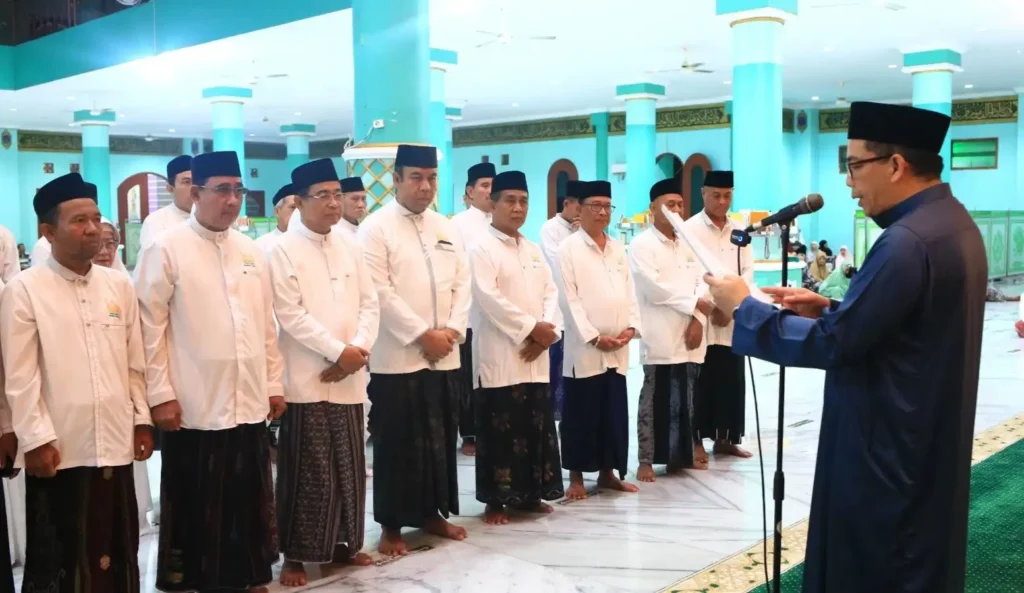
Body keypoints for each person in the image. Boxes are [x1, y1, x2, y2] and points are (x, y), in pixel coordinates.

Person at [705, 101, 986, 593]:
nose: (848, 182)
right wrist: (830, 307)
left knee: (874, 567)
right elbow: (900, 330)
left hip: (886, 452)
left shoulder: (906, 242)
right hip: (925, 441)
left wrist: (744, 308)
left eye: (855, 165)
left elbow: (836, 346)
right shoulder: (953, 223)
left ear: (895, 165)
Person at [135, 151, 286, 592]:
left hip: (249, 397)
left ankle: (252, 575)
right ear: (195, 193)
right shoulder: (165, 249)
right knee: (197, 499)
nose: (232, 200)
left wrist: (273, 385)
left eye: (238, 190)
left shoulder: (251, 251)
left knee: (248, 495)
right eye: (222, 190)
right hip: (194, 402)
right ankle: (197, 581)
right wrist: (160, 394)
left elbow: (265, 327)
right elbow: (149, 329)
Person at [0, 172, 153, 593]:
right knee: (63, 552)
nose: (93, 230)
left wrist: (141, 420)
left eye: (96, 218)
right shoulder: (24, 290)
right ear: (48, 232)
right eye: (79, 221)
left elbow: (134, 363)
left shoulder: (118, 284)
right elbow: (20, 375)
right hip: (60, 445)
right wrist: (35, 439)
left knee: (117, 545)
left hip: (115, 439)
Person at [357, 144, 471, 556]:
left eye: (432, 178)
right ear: (396, 180)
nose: (425, 187)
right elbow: (378, 291)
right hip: (398, 357)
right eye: (417, 178)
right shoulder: (375, 228)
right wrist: (423, 334)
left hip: (445, 355)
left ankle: (432, 512)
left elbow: (463, 282)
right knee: (397, 441)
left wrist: (453, 330)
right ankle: (391, 524)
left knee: (440, 438)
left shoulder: (446, 226)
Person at [269, 159, 379, 586]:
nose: (334, 203)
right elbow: (290, 315)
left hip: (351, 376)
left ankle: (345, 546)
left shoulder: (351, 245)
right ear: (298, 201)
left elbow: (371, 303)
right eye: (324, 196)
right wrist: (339, 351)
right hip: (306, 379)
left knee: (349, 466)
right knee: (308, 470)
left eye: (338, 194)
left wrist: (359, 350)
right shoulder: (279, 250)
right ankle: (296, 556)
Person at [467, 170, 564, 526]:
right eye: (510, 200)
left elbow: (552, 293)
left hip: (535, 355)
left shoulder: (534, 249)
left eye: (523, 201)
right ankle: (496, 501)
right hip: (500, 355)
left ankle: (530, 495)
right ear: (492, 204)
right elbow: (487, 297)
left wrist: (546, 331)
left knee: (534, 427)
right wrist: (530, 330)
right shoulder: (480, 248)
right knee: (500, 428)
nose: (518, 207)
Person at [556, 180, 642, 501]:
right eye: (596, 206)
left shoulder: (618, 248)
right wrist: (593, 337)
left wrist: (631, 328)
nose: (603, 212)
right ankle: (577, 477)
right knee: (581, 412)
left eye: (608, 206)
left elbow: (630, 292)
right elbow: (569, 299)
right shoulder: (568, 249)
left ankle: (608, 473)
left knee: (613, 411)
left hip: (618, 347)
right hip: (586, 349)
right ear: (579, 208)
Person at [631, 179, 712, 481]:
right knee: (654, 398)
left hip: (691, 332)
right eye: (669, 204)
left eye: (680, 204)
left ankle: (680, 455)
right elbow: (655, 290)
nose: (677, 209)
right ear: (653, 209)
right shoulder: (642, 245)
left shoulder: (690, 243)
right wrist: (694, 306)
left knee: (686, 397)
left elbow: (704, 281)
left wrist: (697, 321)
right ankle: (646, 460)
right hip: (660, 334)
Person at [682, 171, 753, 460]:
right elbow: (689, 270)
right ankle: (696, 440)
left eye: (727, 195)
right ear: (703, 194)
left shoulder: (740, 230)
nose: (722, 201)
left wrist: (731, 305)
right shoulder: (690, 229)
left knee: (731, 379)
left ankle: (726, 438)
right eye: (716, 195)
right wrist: (714, 304)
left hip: (731, 317)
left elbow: (747, 270)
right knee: (702, 380)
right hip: (703, 314)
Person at [93, 217, 156, 532]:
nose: (104, 250)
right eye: (99, 242)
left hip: (124, 400)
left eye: (110, 242)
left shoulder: (125, 285)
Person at [450, 161, 496, 456]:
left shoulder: (500, 223)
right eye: (485, 186)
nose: (490, 192)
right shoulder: (459, 225)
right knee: (467, 378)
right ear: (470, 190)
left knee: (490, 374)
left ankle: (489, 429)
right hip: (468, 314)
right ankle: (468, 435)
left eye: (494, 186)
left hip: (495, 318)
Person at [539, 179, 583, 421]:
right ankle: (555, 412)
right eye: (580, 206)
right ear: (567, 204)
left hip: (580, 311)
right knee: (557, 364)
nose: (582, 212)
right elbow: (560, 264)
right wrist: (576, 237)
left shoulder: (585, 230)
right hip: (557, 309)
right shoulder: (550, 229)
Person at [138, 154, 193, 252]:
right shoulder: (155, 222)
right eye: (187, 182)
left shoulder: (211, 218)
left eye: (197, 181)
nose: (194, 187)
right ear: (170, 188)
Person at [256, 183, 299, 257]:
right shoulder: (260, 246)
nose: (297, 213)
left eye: (301, 207)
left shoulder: (313, 243)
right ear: (277, 211)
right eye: (293, 207)